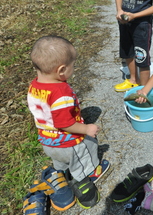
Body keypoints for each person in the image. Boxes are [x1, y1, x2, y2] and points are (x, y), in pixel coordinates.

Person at [27, 36, 110, 208]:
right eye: (73, 65)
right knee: (84, 156)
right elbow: (63, 123)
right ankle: (85, 188)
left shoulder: (35, 86)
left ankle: (64, 173)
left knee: (63, 163)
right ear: (62, 70)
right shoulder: (61, 92)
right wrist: (87, 128)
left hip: (47, 141)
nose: (74, 68)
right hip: (68, 143)